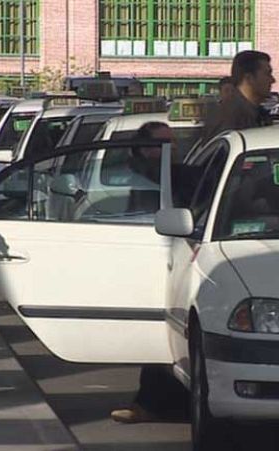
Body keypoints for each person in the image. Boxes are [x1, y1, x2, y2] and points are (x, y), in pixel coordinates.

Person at [110, 122, 198, 424]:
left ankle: (159, 402)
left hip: (180, 255)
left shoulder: (172, 171)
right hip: (153, 256)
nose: (171, 148)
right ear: (144, 149)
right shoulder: (140, 172)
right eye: (162, 144)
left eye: (172, 142)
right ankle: (149, 403)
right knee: (157, 335)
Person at [201, 50, 275, 143]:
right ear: (249, 78)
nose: (273, 80)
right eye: (267, 74)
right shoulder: (228, 117)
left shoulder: (257, 113)